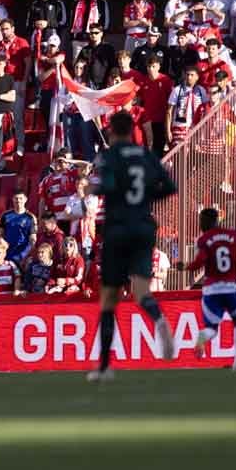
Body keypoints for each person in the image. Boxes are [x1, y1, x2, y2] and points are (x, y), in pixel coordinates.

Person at [88, 111, 177, 382]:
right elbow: (169, 186)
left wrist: (96, 189)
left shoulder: (110, 156)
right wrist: (147, 195)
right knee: (140, 291)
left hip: (117, 229)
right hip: (143, 227)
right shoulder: (145, 155)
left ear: (113, 131)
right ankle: (159, 320)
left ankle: (104, 367)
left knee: (109, 300)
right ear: (132, 131)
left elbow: (110, 185)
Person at [175, 207, 236, 371]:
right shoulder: (233, 235)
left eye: (200, 221)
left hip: (212, 289)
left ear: (205, 222)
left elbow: (199, 263)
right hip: (232, 288)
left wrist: (185, 266)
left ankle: (202, 337)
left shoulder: (204, 240)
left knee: (211, 329)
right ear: (217, 220)